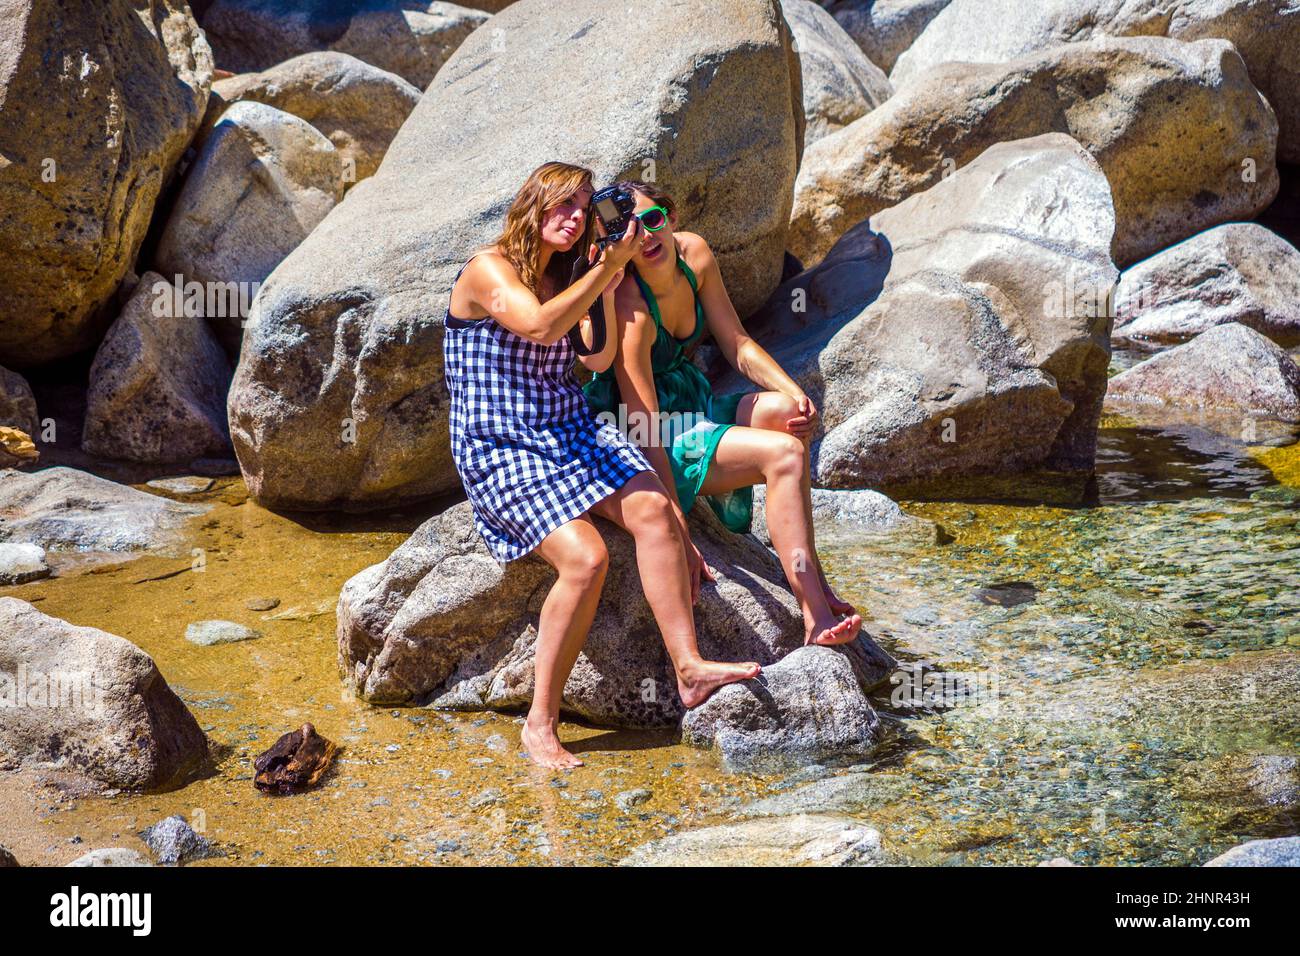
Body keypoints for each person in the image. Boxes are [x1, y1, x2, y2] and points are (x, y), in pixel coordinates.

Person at [442, 162, 760, 770]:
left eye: (584, 207)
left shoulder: (573, 272)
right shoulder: (491, 270)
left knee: (655, 508)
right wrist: (609, 269)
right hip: (501, 445)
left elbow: (597, 360)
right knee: (587, 559)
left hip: (569, 430)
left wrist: (605, 283)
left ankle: (688, 668)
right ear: (531, 207)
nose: (574, 217)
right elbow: (538, 326)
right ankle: (541, 723)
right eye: (562, 205)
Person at [586, 180, 862, 648]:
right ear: (620, 245)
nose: (648, 237)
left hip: (689, 407)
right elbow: (642, 424)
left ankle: (812, 577)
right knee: (786, 456)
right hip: (643, 432)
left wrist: (794, 391)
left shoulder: (695, 255)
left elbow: (736, 343)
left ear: (672, 219)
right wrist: (675, 521)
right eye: (633, 232)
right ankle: (815, 611)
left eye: (654, 221)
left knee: (784, 414)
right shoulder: (632, 309)